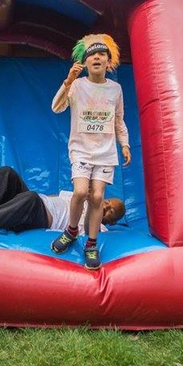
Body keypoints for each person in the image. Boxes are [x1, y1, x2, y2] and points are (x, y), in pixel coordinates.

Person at [48, 34, 131, 270]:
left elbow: (119, 120)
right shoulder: (77, 85)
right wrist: (67, 82)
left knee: (96, 197)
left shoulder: (115, 89)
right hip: (81, 150)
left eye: (101, 54)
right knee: (80, 192)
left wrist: (124, 144)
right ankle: (71, 230)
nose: (96, 57)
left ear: (108, 61)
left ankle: (91, 244)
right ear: (84, 62)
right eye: (91, 55)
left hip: (105, 152)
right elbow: (56, 107)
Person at [0, 166, 126, 245]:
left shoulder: (99, 228)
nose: (106, 207)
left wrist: (94, 204)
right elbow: (53, 197)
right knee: (7, 174)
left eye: (110, 211)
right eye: (108, 203)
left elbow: (91, 230)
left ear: (112, 220)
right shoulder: (76, 195)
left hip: (41, 217)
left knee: (31, 198)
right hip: (35, 202)